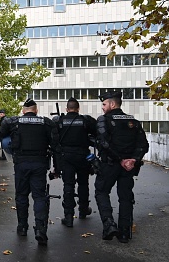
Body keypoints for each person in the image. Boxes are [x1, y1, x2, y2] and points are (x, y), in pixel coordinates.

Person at [0, 99, 58, 245]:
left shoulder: (15, 122)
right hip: (39, 164)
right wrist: (57, 167)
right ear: (36, 110)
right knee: (39, 197)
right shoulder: (45, 122)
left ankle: (22, 227)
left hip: (21, 164)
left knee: (21, 195)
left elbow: (2, 134)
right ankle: (40, 229)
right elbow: (56, 145)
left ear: (23, 111)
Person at [94, 90, 149, 243]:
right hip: (128, 168)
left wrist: (120, 159)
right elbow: (143, 145)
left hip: (110, 165)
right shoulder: (133, 122)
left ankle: (109, 224)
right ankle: (125, 233)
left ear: (112, 104)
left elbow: (104, 144)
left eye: (104, 104)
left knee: (101, 191)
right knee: (125, 197)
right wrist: (133, 160)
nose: (103, 107)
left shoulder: (104, 120)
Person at [52, 98, 97, 227]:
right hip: (82, 156)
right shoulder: (85, 120)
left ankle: (68, 216)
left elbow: (55, 140)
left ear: (67, 109)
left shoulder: (60, 121)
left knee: (68, 185)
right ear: (78, 109)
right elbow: (96, 134)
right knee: (83, 183)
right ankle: (83, 210)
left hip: (66, 157)